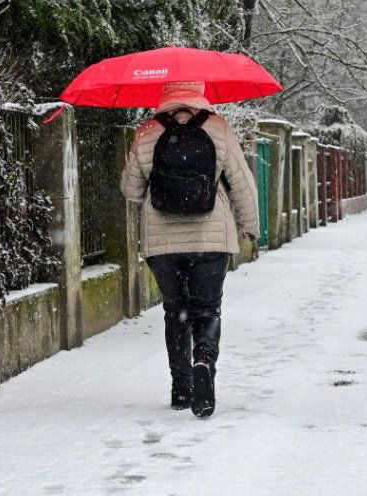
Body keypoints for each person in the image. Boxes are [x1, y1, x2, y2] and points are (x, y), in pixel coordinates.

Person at [121, 81, 259, 418]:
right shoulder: (219, 128)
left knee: (176, 311)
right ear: (200, 93)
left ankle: (181, 387)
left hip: (162, 243)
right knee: (207, 310)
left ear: (164, 97)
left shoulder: (146, 133)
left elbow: (131, 191)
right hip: (211, 240)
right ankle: (204, 363)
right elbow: (242, 184)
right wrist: (249, 228)